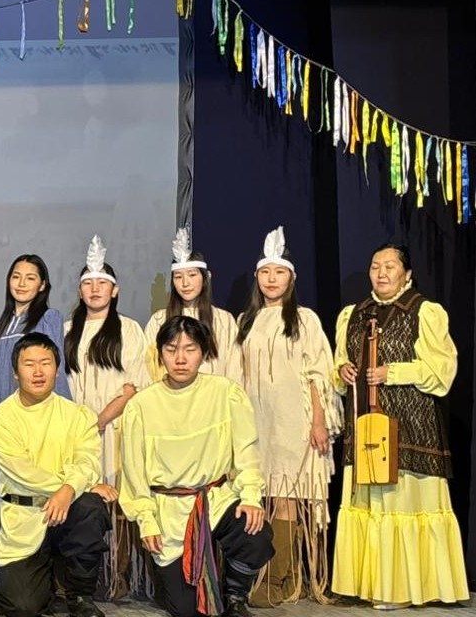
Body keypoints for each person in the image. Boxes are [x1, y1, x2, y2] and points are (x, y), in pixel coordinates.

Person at [331, 243, 468, 608]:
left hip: (410, 426)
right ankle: (370, 586)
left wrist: (393, 372)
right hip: (365, 428)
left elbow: (442, 372)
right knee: (370, 505)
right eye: (375, 266)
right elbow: (339, 366)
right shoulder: (353, 314)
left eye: (390, 266)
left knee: (402, 503)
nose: (381, 273)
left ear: (407, 274)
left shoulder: (425, 312)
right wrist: (342, 371)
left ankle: (406, 589)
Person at [119, 316, 272, 617]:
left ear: (203, 352)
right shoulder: (141, 405)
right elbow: (133, 472)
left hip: (215, 499)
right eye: (171, 349)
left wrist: (251, 497)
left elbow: (246, 451)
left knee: (255, 534)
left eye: (190, 349)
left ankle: (235, 597)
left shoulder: (225, 392)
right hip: (168, 510)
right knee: (186, 610)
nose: (180, 359)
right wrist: (146, 520)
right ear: (159, 354)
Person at [234, 227, 340, 606]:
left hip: (294, 422)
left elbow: (318, 374)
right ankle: (276, 574)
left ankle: (277, 579)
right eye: (265, 272)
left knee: (287, 496)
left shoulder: (305, 319)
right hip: (257, 422)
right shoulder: (245, 321)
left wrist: (319, 422)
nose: (271, 279)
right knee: (261, 495)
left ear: (291, 278)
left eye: (279, 272)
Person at [0, 332, 111, 617]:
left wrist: (70, 491)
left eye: (46, 363)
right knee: (22, 608)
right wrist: (72, 486)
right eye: (29, 364)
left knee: (90, 507)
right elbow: (24, 472)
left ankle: (79, 595)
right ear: (15, 372)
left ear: (57, 368)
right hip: (22, 517)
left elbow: (88, 460)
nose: (38, 372)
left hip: (67, 511)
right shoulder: (0, 419)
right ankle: (47, 585)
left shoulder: (77, 414)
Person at [62, 235, 150, 600]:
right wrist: (79, 427)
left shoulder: (129, 329)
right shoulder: (68, 330)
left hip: (115, 427)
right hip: (75, 431)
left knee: (118, 498)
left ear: (115, 290)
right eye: (88, 283)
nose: (95, 289)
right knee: (83, 497)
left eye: (102, 283)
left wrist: (98, 421)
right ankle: (85, 577)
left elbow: (134, 386)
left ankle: (118, 575)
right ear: (80, 290)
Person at [143, 227, 242, 384]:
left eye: (192, 275)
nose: (185, 283)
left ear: (206, 277)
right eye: (178, 277)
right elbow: (149, 368)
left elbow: (235, 370)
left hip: (213, 397)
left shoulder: (224, 320)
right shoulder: (159, 320)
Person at [0, 254, 70, 402]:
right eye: (16, 277)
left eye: (30, 278)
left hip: (36, 407)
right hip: (4, 406)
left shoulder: (48, 318)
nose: (21, 284)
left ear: (42, 285)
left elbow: (56, 368)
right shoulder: (2, 326)